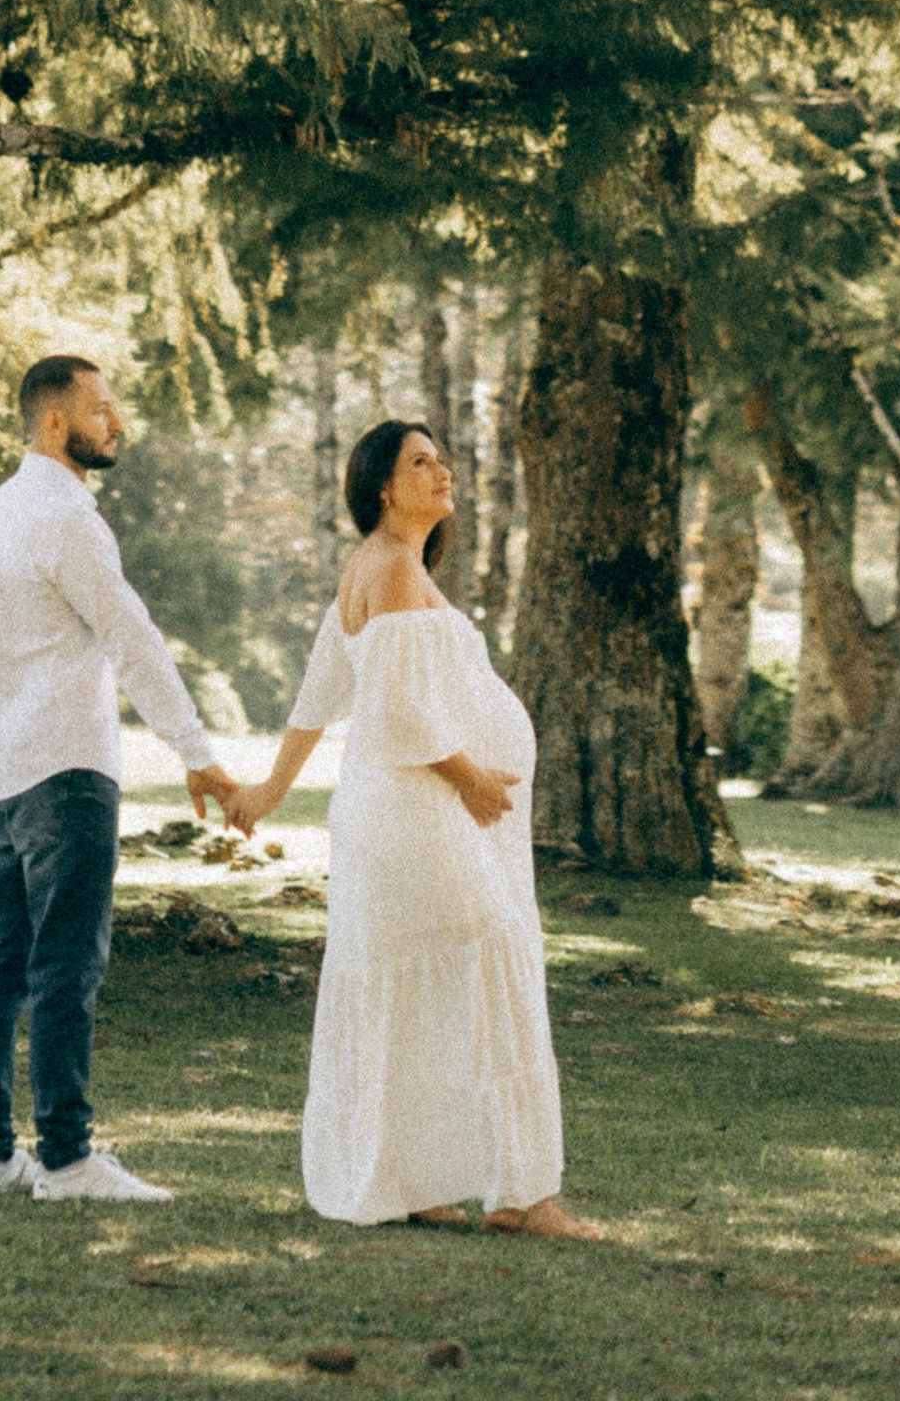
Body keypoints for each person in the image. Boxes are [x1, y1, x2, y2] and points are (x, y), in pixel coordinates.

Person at [230, 418, 600, 1238]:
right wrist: (472, 780)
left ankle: (405, 1179)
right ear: (384, 488)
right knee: (494, 963)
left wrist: (267, 792)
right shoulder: (391, 567)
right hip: (415, 812)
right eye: (420, 463)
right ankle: (521, 1196)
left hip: (392, 813)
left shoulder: (374, 569)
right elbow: (395, 715)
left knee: (416, 988)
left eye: (442, 459)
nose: (442, 472)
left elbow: (318, 698)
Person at [0, 351, 240, 1204]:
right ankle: (70, 1160)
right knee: (66, 967)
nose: (117, 423)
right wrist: (196, 750)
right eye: (102, 409)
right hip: (65, 771)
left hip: (0, 774)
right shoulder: (66, 519)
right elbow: (133, 638)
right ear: (54, 422)